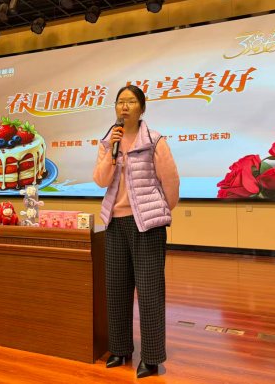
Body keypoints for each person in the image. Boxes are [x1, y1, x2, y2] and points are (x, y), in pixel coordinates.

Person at [93, 85, 179, 378]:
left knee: (150, 292)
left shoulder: (154, 141)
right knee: (116, 289)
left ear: (142, 108)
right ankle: (120, 349)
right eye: (120, 102)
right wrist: (111, 153)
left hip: (148, 226)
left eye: (131, 102)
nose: (125, 106)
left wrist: (160, 210)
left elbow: (171, 182)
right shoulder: (109, 141)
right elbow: (101, 181)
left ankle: (152, 357)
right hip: (115, 223)